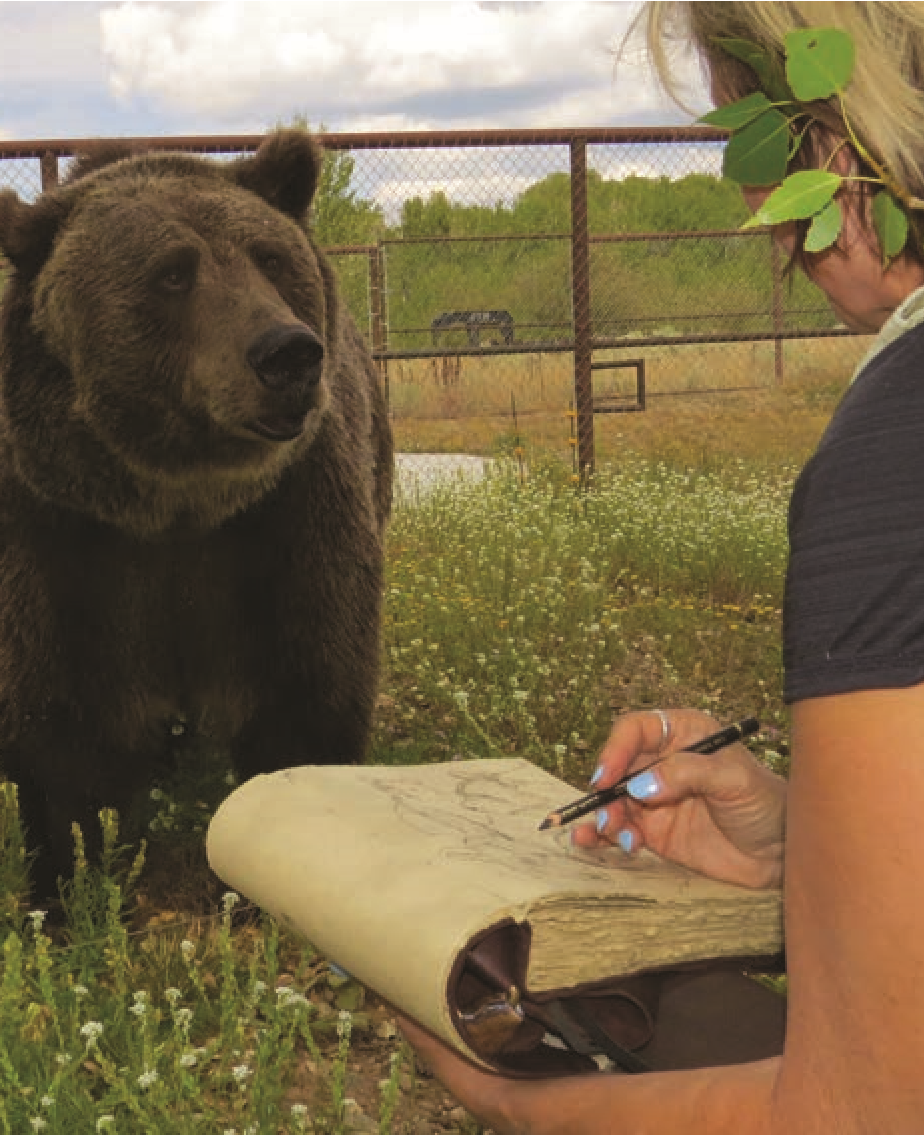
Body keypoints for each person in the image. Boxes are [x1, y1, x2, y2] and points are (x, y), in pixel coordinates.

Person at [393, 3, 924, 1132]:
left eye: (748, 137)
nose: (749, 205)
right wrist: (803, 852)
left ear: (839, 143)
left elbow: (863, 1110)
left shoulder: (896, 460)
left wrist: (517, 1100)